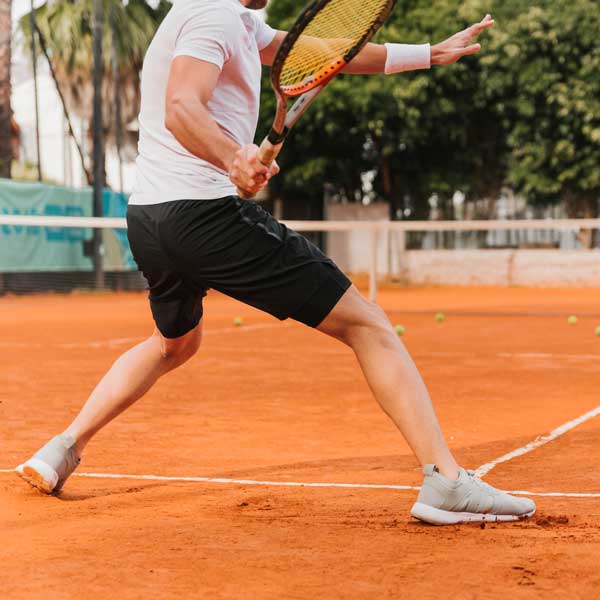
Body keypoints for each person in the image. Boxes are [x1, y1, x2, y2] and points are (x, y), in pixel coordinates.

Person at [16, 0, 535, 526]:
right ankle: (445, 480)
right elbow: (180, 105)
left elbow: (325, 53)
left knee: (174, 343)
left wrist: (426, 53)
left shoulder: (235, 22)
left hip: (150, 220)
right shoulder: (212, 15)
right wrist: (230, 156)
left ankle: (62, 448)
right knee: (369, 323)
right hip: (205, 217)